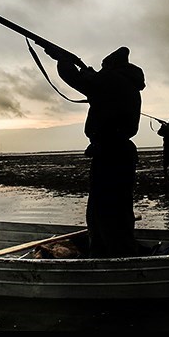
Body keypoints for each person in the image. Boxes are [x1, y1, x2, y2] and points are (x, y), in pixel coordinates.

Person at [45, 45, 146, 258]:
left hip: (111, 153)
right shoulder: (125, 83)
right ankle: (105, 255)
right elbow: (94, 84)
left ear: (110, 66)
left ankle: (117, 259)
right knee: (110, 210)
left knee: (107, 211)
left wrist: (62, 59)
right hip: (117, 152)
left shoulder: (113, 80)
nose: (101, 70)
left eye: (104, 67)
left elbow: (77, 79)